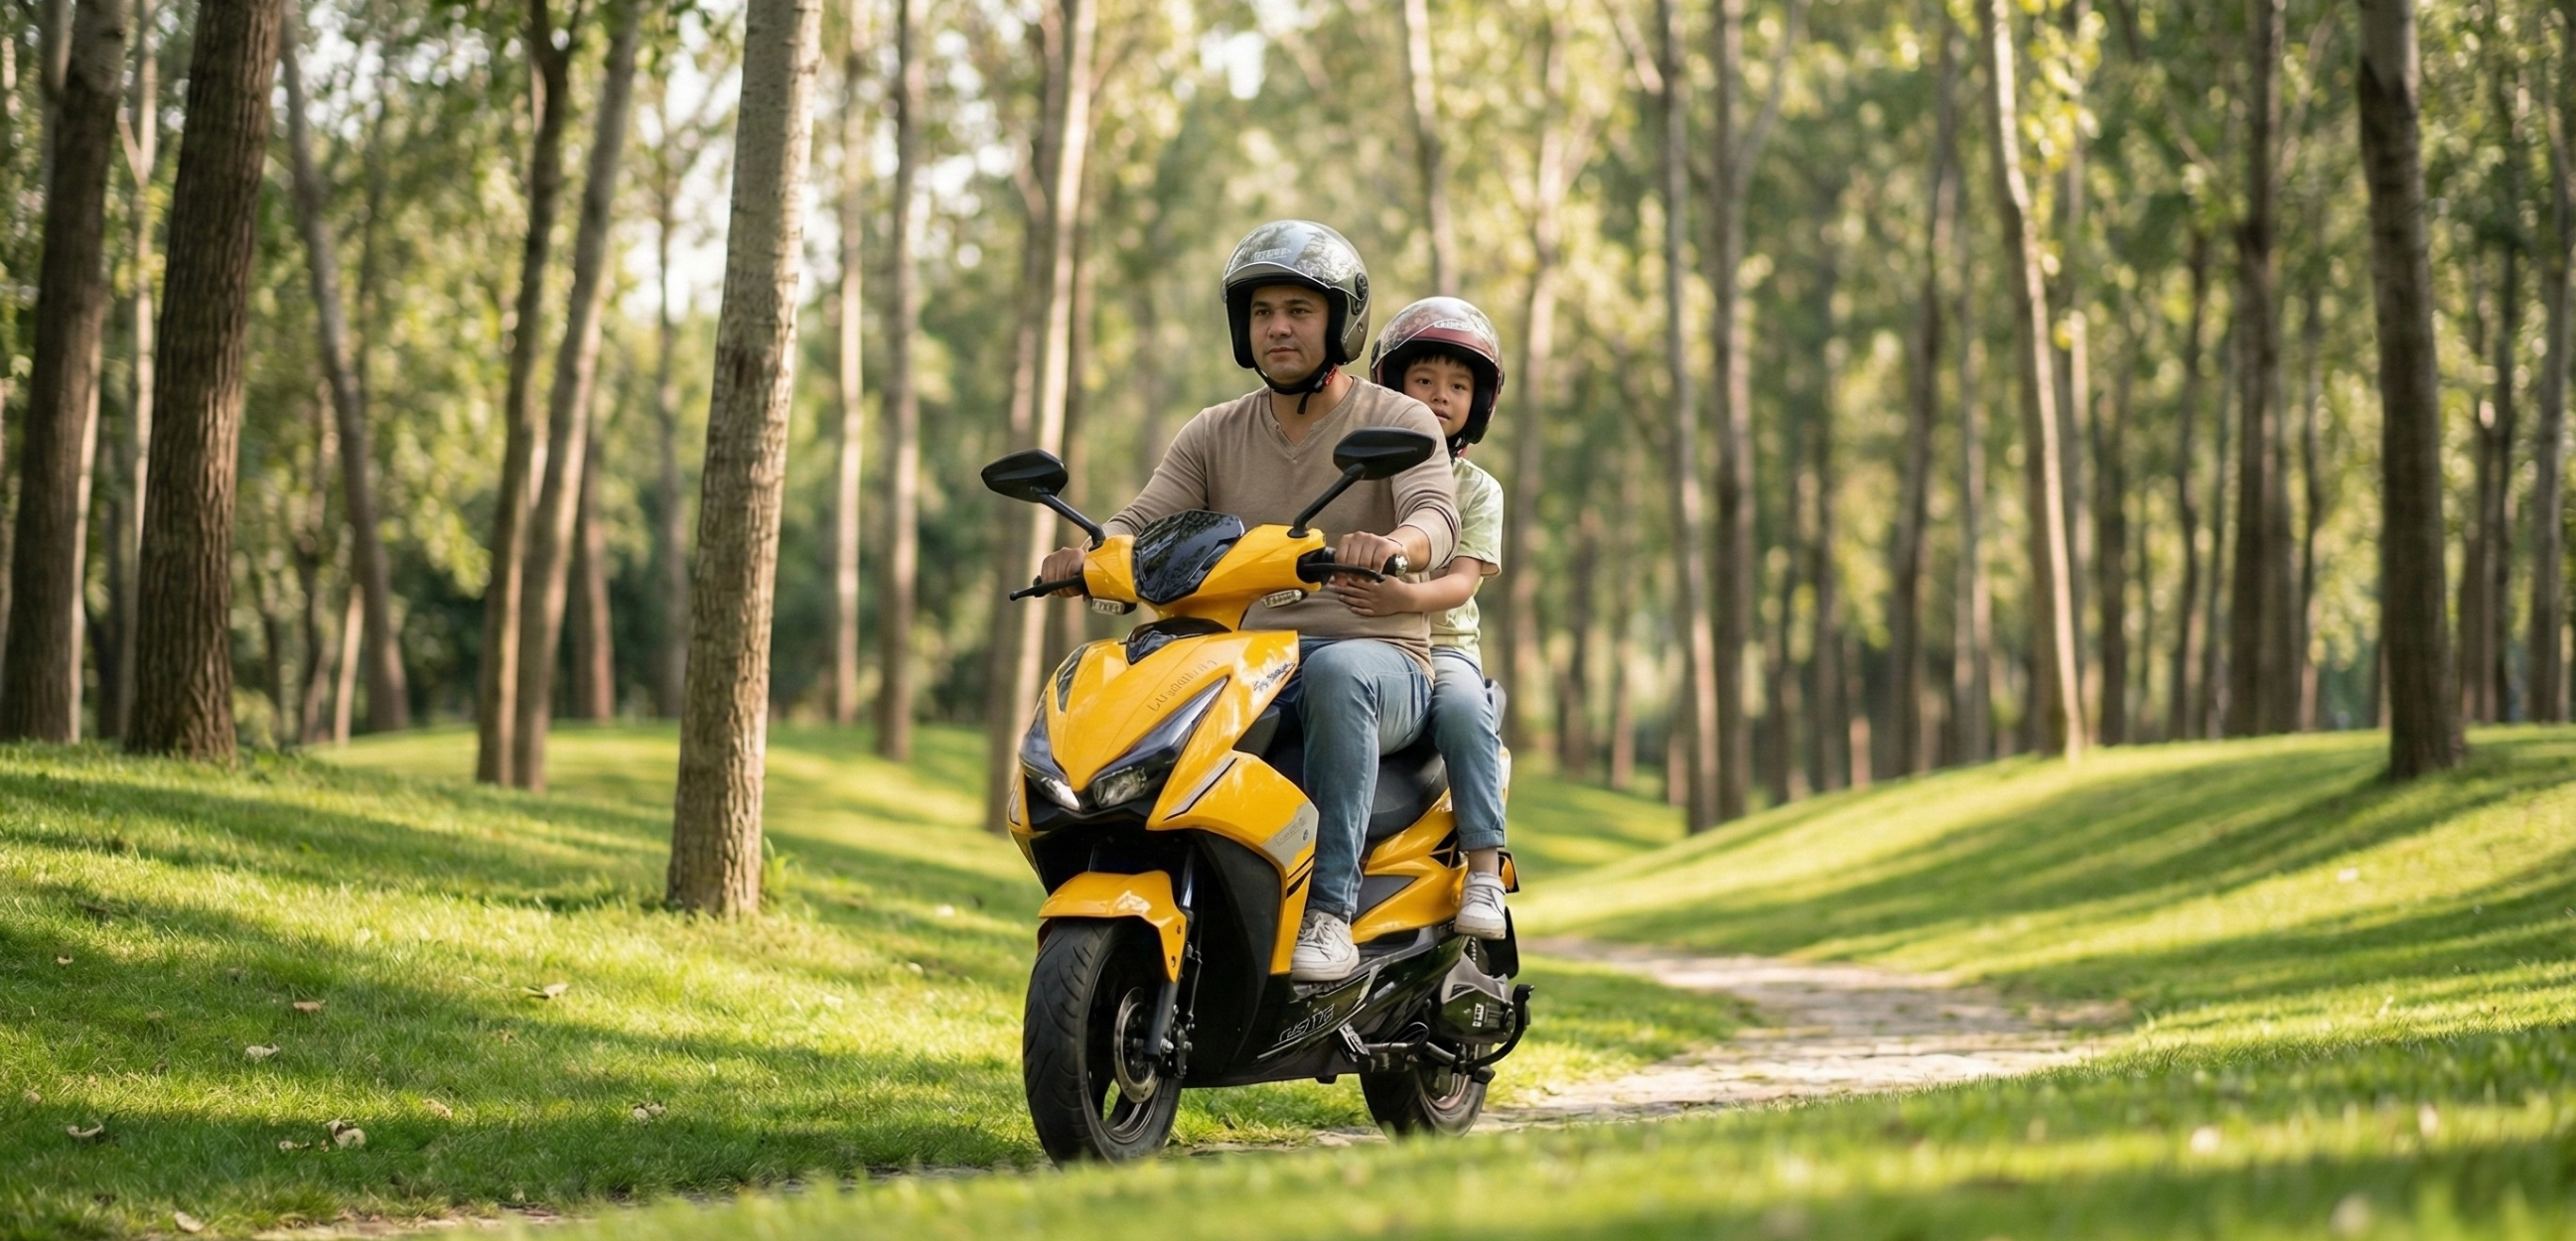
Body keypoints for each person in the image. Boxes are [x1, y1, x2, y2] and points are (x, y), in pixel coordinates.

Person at [1037, 220, 1459, 983]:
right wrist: (1090, 556)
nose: (1278, 328)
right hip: (1254, 659)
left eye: (1298, 310)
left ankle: (1329, 913)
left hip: (1379, 659)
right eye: (1262, 312)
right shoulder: (1215, 431)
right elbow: (1144, 520)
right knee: (1138, 682)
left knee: (1337, 675)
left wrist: (1398, 543)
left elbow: (1435, 512)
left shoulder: (1400, 419)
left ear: (1341, 323)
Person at [1331, 297, 1511, 940]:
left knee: (1463, 710)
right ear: (1392, 387)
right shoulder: (1360, 474)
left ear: (1478, 403)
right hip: (1366, 640)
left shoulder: (1478, 489)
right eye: (1424, 380)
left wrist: (1402, 600)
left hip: (1443, 647)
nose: (1440, 396)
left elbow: (1461, 582)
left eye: (1458, 386)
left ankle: (1485, 869)